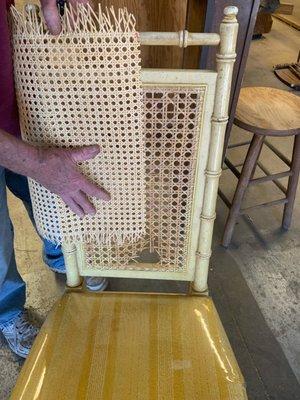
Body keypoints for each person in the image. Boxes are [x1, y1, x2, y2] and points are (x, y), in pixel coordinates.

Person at [0, 0, 109, 358]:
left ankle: (58, 247)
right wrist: (38, 163)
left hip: (11, 96)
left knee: (41, 193)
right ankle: (7, 310)